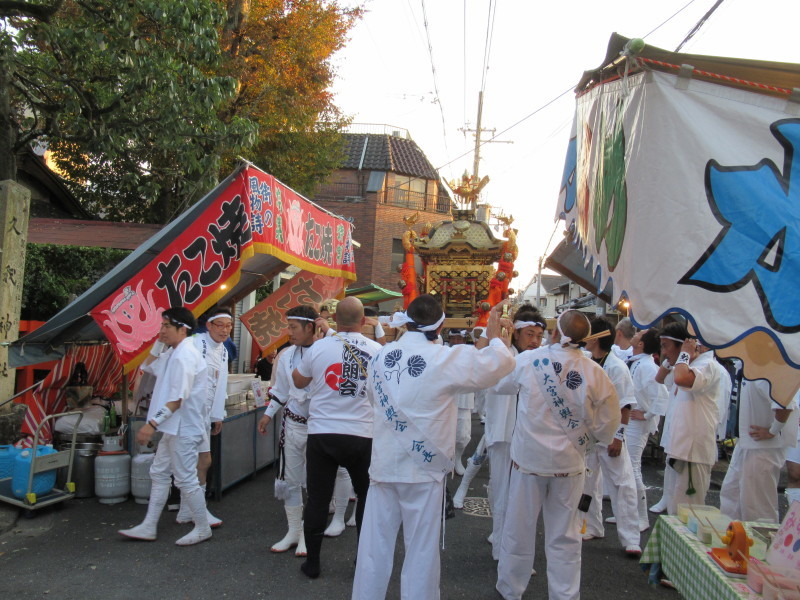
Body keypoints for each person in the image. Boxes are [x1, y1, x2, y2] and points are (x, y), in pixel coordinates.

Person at [351, 296, 515, 600]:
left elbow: (374, 400)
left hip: (385, 463)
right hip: (424, 470)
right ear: (440, 325)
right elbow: (501, 363)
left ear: (408, 320)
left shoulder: (381, 356)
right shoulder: (444, 358)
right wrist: (493, 336)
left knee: (374, 547)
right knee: (421, 549)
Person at [494, 310, 620, 600]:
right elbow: (609, 422)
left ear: (553, 333)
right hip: (570, 464)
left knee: (519, 529)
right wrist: (595, 439)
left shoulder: (527, 361)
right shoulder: (594, 372)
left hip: (529, 462)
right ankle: (565, 594)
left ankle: (511, 589)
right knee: (565, 536)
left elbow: (499, 385)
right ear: (585, 340)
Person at [292, 296, 381, 579]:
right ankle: (363, 561)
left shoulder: (318, 348)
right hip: (362, 434)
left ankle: (313, 562)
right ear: (363, 321)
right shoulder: (377, 350)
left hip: (322, 432)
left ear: (335, 321)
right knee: (367, 496)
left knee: (318, 498)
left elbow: (298, 380)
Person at [453, 305, 547, 561]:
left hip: (530, 435)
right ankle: (504, 551)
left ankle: (509, 544)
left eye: (539, 336)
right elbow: (477, 361)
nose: (535, 341)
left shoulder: (539, 358)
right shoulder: (503, 354)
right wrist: (496, 333)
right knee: (504, 492)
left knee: (523, 497)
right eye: (529, 334)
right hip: (504, 432)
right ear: (515, 333)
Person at [119, 307, 212, 545]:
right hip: (173, 427)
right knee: (159, 473)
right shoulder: (175, 352)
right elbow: (148, 366)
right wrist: (158, 343)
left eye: (166, 326)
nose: (161, 330)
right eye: (161, 325)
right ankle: (149, 525)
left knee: (185, 479)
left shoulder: (185, 355)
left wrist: (151, 424)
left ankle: (202, 527)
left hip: (183, 427)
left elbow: (177, 399)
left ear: (183, 329)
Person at [257, 304, 319, 556]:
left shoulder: (325, 352)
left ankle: (307, 533)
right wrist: (268, 414)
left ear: (310, 327)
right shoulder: (285, 355)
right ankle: (294, 531)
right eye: (288, 326)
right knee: (291, 482)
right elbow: (281, 391)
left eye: (293, 327)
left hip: (319, 427)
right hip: (292, 424)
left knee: (314, 484)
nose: (289, 332)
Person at [581, 317, 641, 557]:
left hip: (610, 434)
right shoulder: (585, 361)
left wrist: (618, 437)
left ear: (595, 337)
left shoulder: (616, 367)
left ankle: (631, 538)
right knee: (586, 484)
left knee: (621, 484)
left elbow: (625, 405)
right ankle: (592, 525)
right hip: (588, 435)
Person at [173, 306, 230, 529]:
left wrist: (217, 415)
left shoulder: (224, 350)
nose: (225, 331)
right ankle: (197, 512)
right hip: (186, 412)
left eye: (229, 326)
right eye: (221, 325)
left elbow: (221, 382)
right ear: (209, 326)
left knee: (202, 462)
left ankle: (187, 511)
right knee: (189, 464)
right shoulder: (195, 343)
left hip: (204, 414)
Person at [656, 322, 721, 515]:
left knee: (688, 513)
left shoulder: (707, 365)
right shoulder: (683, 365)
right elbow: (660, 378)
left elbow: (681, 380)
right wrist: (674, 358)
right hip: (679, 449)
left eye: (666, 346)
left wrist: (684, 353)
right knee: (675, 510)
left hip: (694, 453)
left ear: (683, 345)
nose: (663, 352)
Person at [720, 380, 798, 522]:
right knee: (731, 496)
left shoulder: (765, 372)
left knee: (757, 509)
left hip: (763, 449)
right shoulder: (750, 369)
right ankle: (731, 539)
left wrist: (773, 430)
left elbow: (785, 404)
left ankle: (762, 543)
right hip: (745, 444)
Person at [626, 328, 668, 531]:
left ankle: (641, 517)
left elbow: (662, 395)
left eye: (639, 333)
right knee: (625, 468)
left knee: (633, 467)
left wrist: (647, 414)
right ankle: (628, 514)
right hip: (629, 420)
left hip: (637, 422)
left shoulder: (648, 366)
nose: (635, 333)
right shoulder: (637, 361)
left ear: (641, 344)